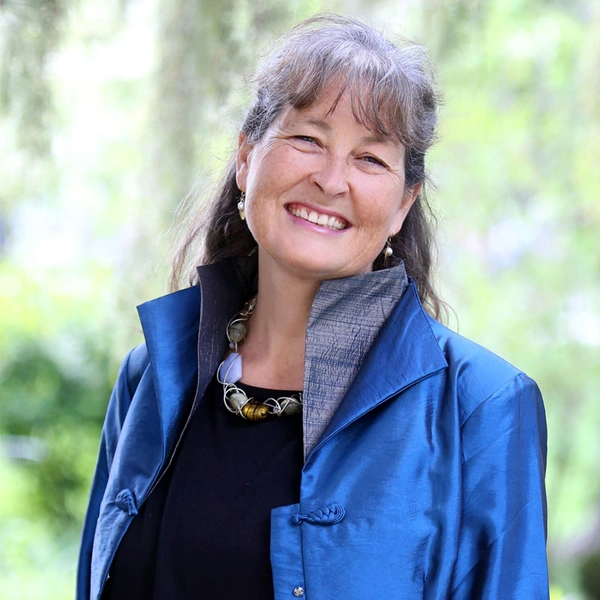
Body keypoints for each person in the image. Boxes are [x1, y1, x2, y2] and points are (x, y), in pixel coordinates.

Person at [77, 14, 549, 600]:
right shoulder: (151, 377)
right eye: (308, 139)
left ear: (404, 205)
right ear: (247, 158)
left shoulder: (482, 407)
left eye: (370, 159)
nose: (331, 179)